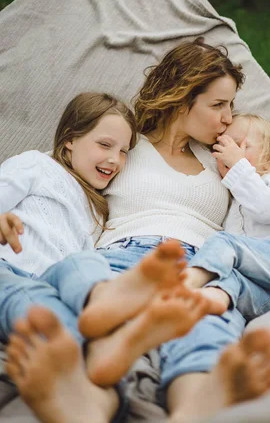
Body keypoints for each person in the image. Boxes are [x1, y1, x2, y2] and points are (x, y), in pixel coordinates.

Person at [8, 40, 270, 423]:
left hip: (199, 265)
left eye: (230, 105)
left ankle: (191, 411)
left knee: (208, 327)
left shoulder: (225, 160)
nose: (229, 117)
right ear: (182, 100)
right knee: (80, 275)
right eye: (218, 105)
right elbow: (57, 171)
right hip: (122, 259)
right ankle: (86, 405)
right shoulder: (124, 148)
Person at [2, 92, 215, 423]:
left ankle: (89, 381)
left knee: (83, 278)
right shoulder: (37, 165)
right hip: (7, 269)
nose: (115, 159)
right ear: (70, 139)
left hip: (53, 284)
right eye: (104, 145)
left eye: (124, 152)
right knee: (31, 304)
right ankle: (76, 364)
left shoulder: (100, 208)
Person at [184, 114, 270, 320]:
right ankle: (213, 298)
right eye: (220, 147)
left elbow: (268, 209)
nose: (225, 153)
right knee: (230, 280)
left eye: (237, 146)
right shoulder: (237, 199)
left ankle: (184, 284)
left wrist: (238, 168)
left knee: (225, 243)